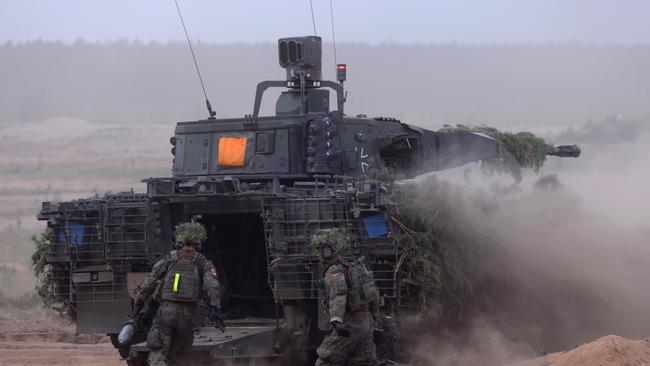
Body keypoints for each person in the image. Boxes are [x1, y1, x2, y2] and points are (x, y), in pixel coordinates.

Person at [135, 222, 221, 366]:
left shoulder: (169, 258)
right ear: (197, 243)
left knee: (159, 351)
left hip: (166, 310)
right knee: (179, 354)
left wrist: (139, 303)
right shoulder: (203, 262)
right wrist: (215, 307)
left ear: (179, 242)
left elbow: (150, 281)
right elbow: (212, 286)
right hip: (188, 315)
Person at [312, 228, 379, 366]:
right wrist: (374, 319)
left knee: (327, 358)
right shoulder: (355, 267)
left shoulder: (334, 271)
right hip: (366, 322)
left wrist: (337, 320)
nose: (317, 254)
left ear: (327, 251)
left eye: (319, 250)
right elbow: (373, 295)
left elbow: (339, 295)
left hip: (351, 323)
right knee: (363, 361)